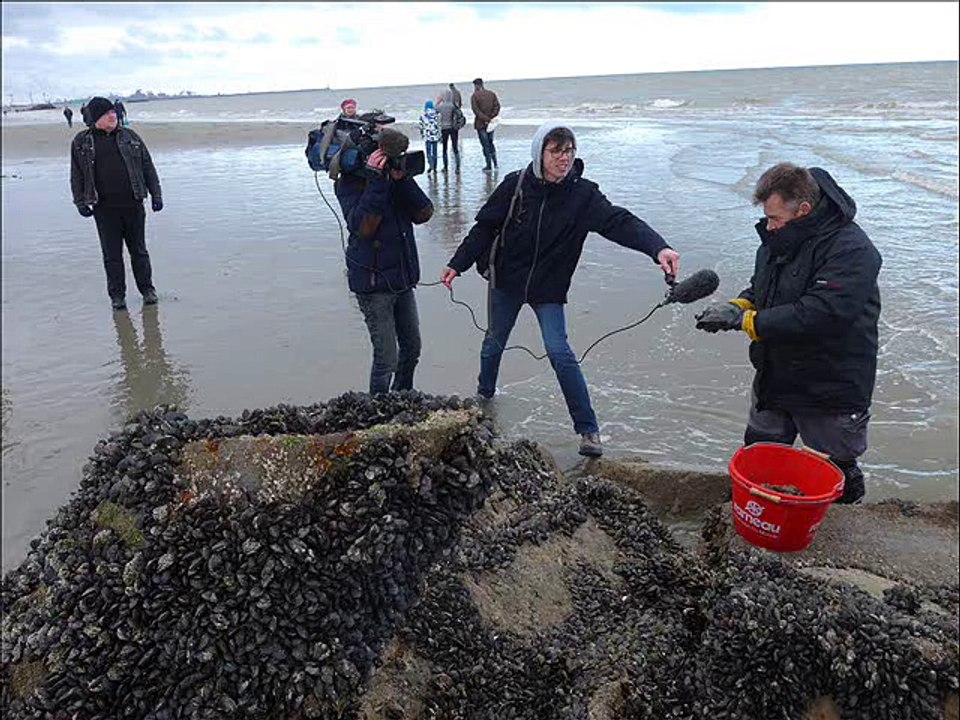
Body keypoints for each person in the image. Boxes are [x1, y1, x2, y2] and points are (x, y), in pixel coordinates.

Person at [440, 123, 680, 457]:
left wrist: (658, 248)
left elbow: (619, 222)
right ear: (540, 153)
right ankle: (484, 396)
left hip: (548, 289)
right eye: (556, 151)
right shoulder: (516, 185)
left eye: (568, 150)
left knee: (559, 352)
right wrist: (457, 263)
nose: (563, 158)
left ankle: (588, 430)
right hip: (506, 282)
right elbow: (484, 228)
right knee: (494, 342)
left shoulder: (583, 196)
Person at [694, 162, 882, 504]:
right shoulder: (777, 238)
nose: (769, 225)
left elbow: (822, 313)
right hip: (776, 374)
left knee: (835, 472)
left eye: (775, 218)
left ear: (804, 210)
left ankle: (843, 525)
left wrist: (748, 323)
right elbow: (762, 287)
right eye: (767, 217)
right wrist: (739, 305)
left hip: (830, 383)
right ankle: (758, 513)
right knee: (760, 453)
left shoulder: (853, 250)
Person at [334, 128, 434, 394]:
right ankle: (377, 414)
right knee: (386, 359)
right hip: (372, 281)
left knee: (412, 348)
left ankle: (402, 399)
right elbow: (363, 228)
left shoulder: (394, 178)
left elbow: (424, 213)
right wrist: (376, 180)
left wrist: (402, 181)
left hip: (401, 277)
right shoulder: (348, 183)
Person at [70, 96, 163, 311]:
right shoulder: (81, 142)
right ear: (95, 118)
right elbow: (77, 175)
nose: (113, 115)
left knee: (139, 251)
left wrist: (156, 195)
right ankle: (117, 296)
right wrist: (79, 201)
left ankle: (147, 290)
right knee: (112, 256)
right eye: (107, 113)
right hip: (104, 209)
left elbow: (148, 167)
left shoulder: (130, 136)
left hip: (133, 204)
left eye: (113, 112)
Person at [470, 78, 500, 172]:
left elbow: (476, 111)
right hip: (491, 123)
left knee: (485, 145)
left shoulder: (474, 96)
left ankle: (488, 165)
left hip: (481, 124)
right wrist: (491, 117)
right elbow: (497, 106)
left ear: (476, 85)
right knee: (491, 143)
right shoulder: (491, 94)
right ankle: (495, 164)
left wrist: (486, 119)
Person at [436, 89, 461, 173]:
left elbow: (434, 111)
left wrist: (438, 101)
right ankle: (457, 167)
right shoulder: (453, 105)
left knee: (444, 149)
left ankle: (445, 167)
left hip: (444, 128)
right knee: (455, 148)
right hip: (453, 128)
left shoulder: (441, 106)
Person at [418, 100, 441, 173]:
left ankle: (430, 165)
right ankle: (435, 167)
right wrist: (440, 135)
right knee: (435, 152)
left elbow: (421, 127)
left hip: (427, 136)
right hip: (435, 136)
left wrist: (422, 134)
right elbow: (439, 126)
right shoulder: (437, 116)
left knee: (428, 152)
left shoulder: (423, 116)